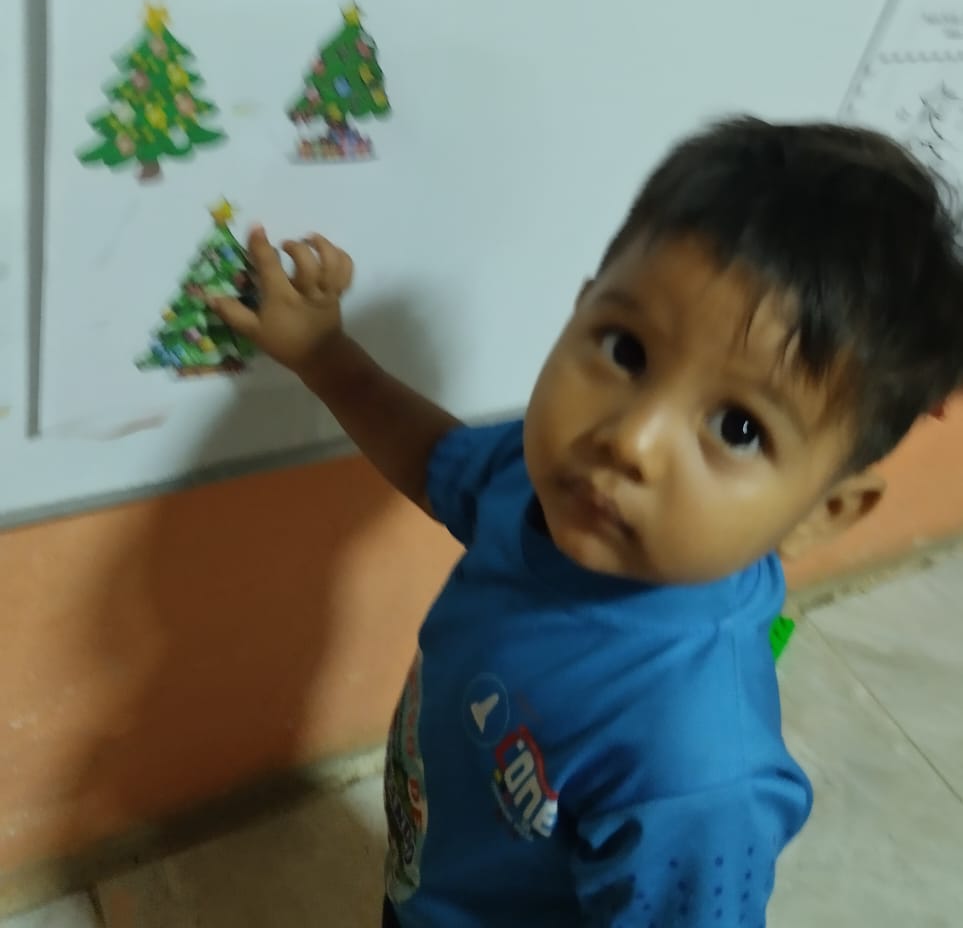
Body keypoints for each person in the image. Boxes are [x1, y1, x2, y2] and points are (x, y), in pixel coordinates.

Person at [211, 117, 963, 927]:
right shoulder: (541, 484)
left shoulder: (696, 772)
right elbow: (436, 463)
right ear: (579, 311)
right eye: (626, 351)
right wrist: (325, 356)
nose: (629, 440)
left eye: (738, 427)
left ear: (822, 513)